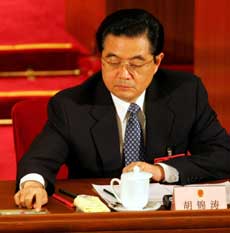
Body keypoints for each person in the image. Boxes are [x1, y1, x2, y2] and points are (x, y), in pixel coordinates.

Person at [14, 8, 230, 210]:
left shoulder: (185, 93)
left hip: (164, 218)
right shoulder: (71, 105)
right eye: (113, 61)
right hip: (98, 221)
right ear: (101, 58)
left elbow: (222, 154)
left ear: (157, 62)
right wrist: (33, 185)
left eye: (136, 64)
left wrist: (162, 171)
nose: (123, 74)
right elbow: (39, 160)